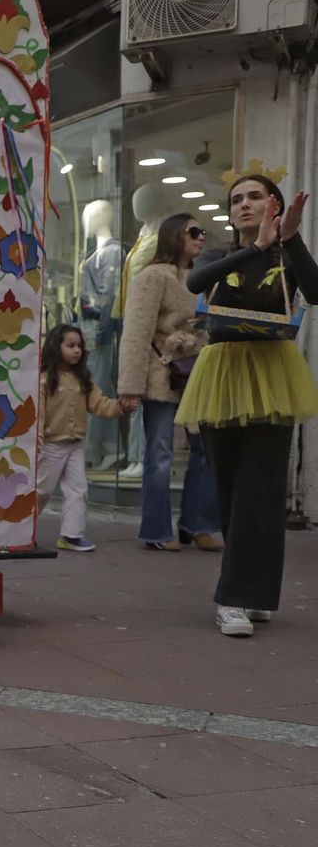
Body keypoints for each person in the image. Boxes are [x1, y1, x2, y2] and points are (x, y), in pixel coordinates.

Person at [180, 173, 318, 637]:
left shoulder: (288, 252)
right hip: (222, 375)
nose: (243, 204)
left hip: (273, 376)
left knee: (261, 491)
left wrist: (289, 238)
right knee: (229, 489)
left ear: (274, 205)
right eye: (236, 199)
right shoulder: (222, 255)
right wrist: (257, 247)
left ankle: (241, 598)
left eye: (255, 196)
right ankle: (243, 594)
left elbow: (316, 292)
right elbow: (196, 281)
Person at [118, 213, 220, 553]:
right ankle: (157, 529)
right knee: (160, 450)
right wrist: (130, 386)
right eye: (193, 231)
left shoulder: (203, 278)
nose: (200, 237)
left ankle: (198, 523)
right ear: (174, 236)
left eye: (202, 231)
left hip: (198, 369)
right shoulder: (152, 276)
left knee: (204, 450)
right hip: (163, 370)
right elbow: (136, 331)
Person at [38, 323, 132, 552]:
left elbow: (100, 404)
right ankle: (21, 531)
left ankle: (71, 535)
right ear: (54, 347)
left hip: (75, 445)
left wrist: (120, 407)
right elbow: (36, 413)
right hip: (50, 445)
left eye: (79, 346)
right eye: (70, 345)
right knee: (40, 491)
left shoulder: (83, 380)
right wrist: (36, 438)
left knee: (78, 489)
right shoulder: (43, 380)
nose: (77, 350)